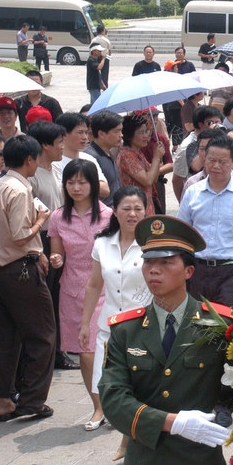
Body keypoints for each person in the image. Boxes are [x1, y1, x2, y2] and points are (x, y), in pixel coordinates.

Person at [99, 215, 233, 465]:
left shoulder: (220, 325)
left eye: (166, 262)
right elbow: (113, 398)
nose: (153, 271)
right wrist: (172, 422)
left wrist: (222, 415)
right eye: (148, 262)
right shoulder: (126, 331)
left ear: (189, 271)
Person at [78, 186, 149, 435]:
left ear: (145, 211)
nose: (132, 214)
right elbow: (94, 285)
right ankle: (106, 417)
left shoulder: (152, 244)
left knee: (139, 388)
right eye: (126, 209)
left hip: (143, 328)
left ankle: (130, 443)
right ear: (115, 211)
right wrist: (85, 323)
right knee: (108, 384)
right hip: (109, 327)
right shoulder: (102, 243)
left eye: (137, 208)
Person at [47, 159, 113, 429]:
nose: (76, 187)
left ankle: (113, 401)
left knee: (105, 350)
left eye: (82, 182)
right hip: (74, 290)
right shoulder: (58, 217)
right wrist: (54, 259)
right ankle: (98, 406)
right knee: (85, 352)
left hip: (106, 288)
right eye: (70, 182)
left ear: (93, 185)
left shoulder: (109, 215)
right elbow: (57, 251)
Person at [0, 135, 58, 422]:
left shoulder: (0, 184)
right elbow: (22, 235)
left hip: (2, 270)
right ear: (30, 159)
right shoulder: (19, 190)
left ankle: (3, 399)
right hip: (20, 269)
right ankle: (32, 400)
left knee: (6, 338)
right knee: (43, 335)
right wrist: (41, 220)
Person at [176, 134, 233, 305]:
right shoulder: (192, 192)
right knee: (198, 323)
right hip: (199, 270)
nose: (216, 166)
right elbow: (182, 232)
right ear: (204, 158)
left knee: (230, 325)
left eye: (223, 162)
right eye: (211, 160)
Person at [116, 115, 164, 216]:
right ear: (129, 135)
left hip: (146, 208)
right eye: (141, 133)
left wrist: (157, 156)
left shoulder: (138, 153)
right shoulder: (127, 155)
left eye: (146, 131)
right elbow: (147, 181)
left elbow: (154, 178)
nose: (146, 136)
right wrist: (156, 158)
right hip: (134, 211)